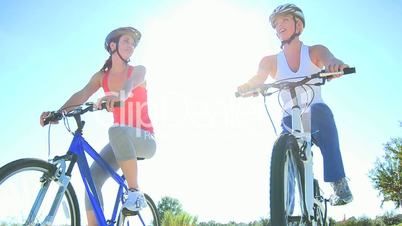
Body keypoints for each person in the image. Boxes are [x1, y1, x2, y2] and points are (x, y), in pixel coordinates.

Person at [237, 3, 353, 206]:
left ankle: (338, 183)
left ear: (298, 25)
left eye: (284, 20)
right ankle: (284, 210)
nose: (279, 26)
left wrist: (334, 66)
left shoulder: (314, 51)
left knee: (322, 114)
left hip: (314, 112)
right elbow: (259, 77)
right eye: (276, 23)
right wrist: (249, 86)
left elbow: (329, 59)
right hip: (290, 117)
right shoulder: (270, 60)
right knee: (283, 152)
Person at [39, 27, 156, 225]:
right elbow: (81, 95)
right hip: (119, 140)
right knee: (91, 179)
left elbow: (129, 86)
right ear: (113, 46)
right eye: (126, 41)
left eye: (133, 44)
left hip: (145, 139)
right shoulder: (101, 77)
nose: (131, 46)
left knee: (115, 130)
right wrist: (58, 113)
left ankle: (135, 193)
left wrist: (119, 96)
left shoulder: (138, 70)